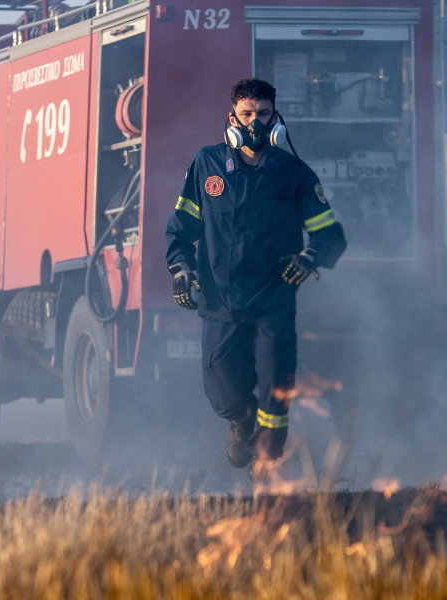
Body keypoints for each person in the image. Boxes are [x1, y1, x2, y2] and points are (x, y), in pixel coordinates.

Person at [165, 78, 347, 468]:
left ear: (276, 119)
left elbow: (330, 235)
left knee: (274, 397)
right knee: (228, 398)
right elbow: (181, 230)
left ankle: (268, 468)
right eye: (247, 114)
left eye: (263, 114)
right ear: (232, 117)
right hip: (220, 304)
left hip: (273, 304)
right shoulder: (206, 164)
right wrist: (181, 268)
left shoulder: (294, 173)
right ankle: (239, 423)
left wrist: (310, 256)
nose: (255, 123)